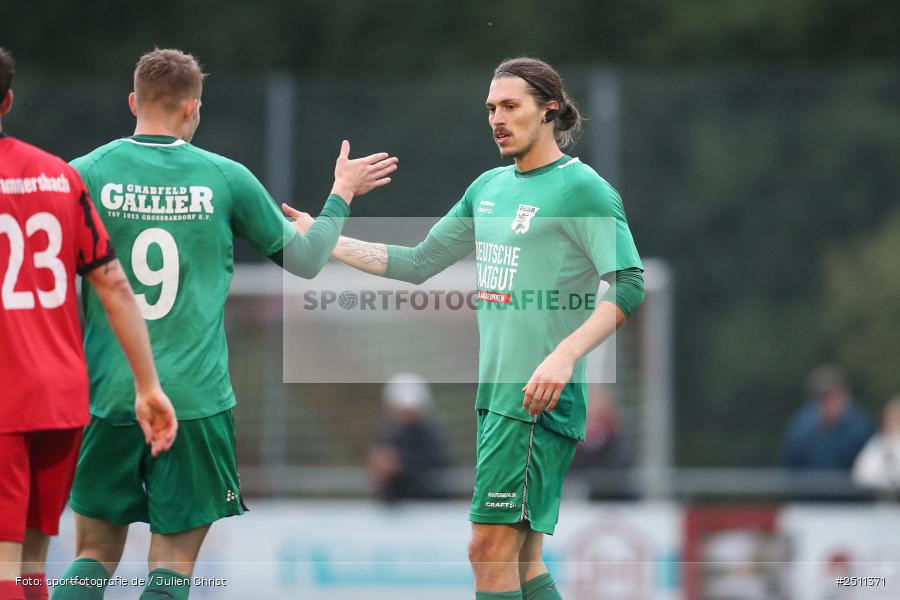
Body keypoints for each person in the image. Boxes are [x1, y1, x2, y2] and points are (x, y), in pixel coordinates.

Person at [285, 56, 644, 600]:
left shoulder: (582, 189)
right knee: (521, 559)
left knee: (488, 549)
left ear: (549, 110)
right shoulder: (488, 188)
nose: (497, 118)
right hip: (499, 399)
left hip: (535, 400)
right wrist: (329, 236)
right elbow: (418, 261)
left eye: (511, 106)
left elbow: (629, 285)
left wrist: (565, 354)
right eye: (491, 108)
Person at [51, 48, 397, 600]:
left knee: (93, 554)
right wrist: (342, 194)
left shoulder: (82, 174)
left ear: (134, 101)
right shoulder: (224, 178)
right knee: (172, 569)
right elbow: (306, 261)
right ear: (193, 109)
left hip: (109, 395)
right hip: (194, 401)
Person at [0, 47, 177, 600]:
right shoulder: (58, 176)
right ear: (7, 100)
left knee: (4, 568)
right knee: (30, 564)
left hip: (5, 398)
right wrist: (148, 386)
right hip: (60, 400)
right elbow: (116, 286)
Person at [368, 373, 448, 502]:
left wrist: (398, 465)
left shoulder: (430, 433)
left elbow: (434, 466)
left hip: (428, 505)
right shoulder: (386, 432)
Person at [782, 365, 873, 472]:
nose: (832, 403)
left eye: (836, 396)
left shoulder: (859, 426)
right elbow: (791, 464)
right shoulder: (801, 428)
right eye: (826, 398)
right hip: (809, 487)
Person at [852, 396, 900, 498]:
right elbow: (861, 475)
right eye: (889, 418)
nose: (891, 422)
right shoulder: (877, 443)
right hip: (879, 503)